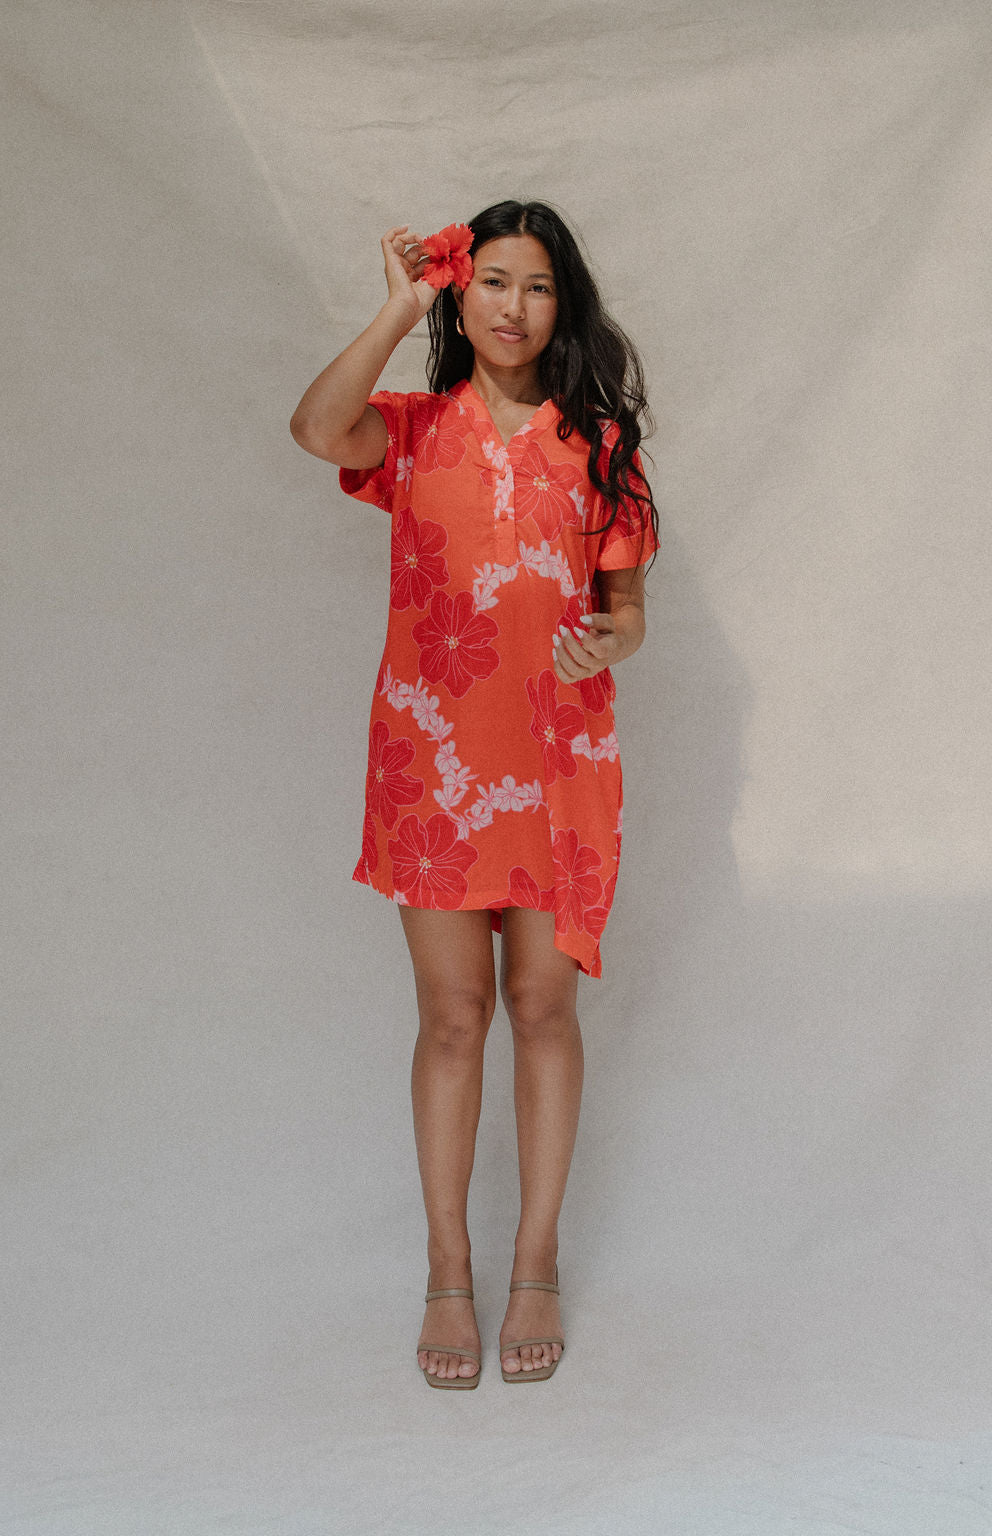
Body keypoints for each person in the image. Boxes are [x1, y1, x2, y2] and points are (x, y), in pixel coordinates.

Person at [290, 200, 659, 1387]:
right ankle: (450, 1268)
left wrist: (608, 646)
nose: (511, 306)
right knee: (454, 1019)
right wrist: (398, 304)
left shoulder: (601, 447)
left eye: (537, 285)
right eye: (490, 281)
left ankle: (535, 1256)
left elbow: (627, 615)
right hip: (434, 768)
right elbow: (312, 426)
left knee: (545, 1011)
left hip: (557, 768)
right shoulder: (410, 433)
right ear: (463, 297)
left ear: (566, 304)